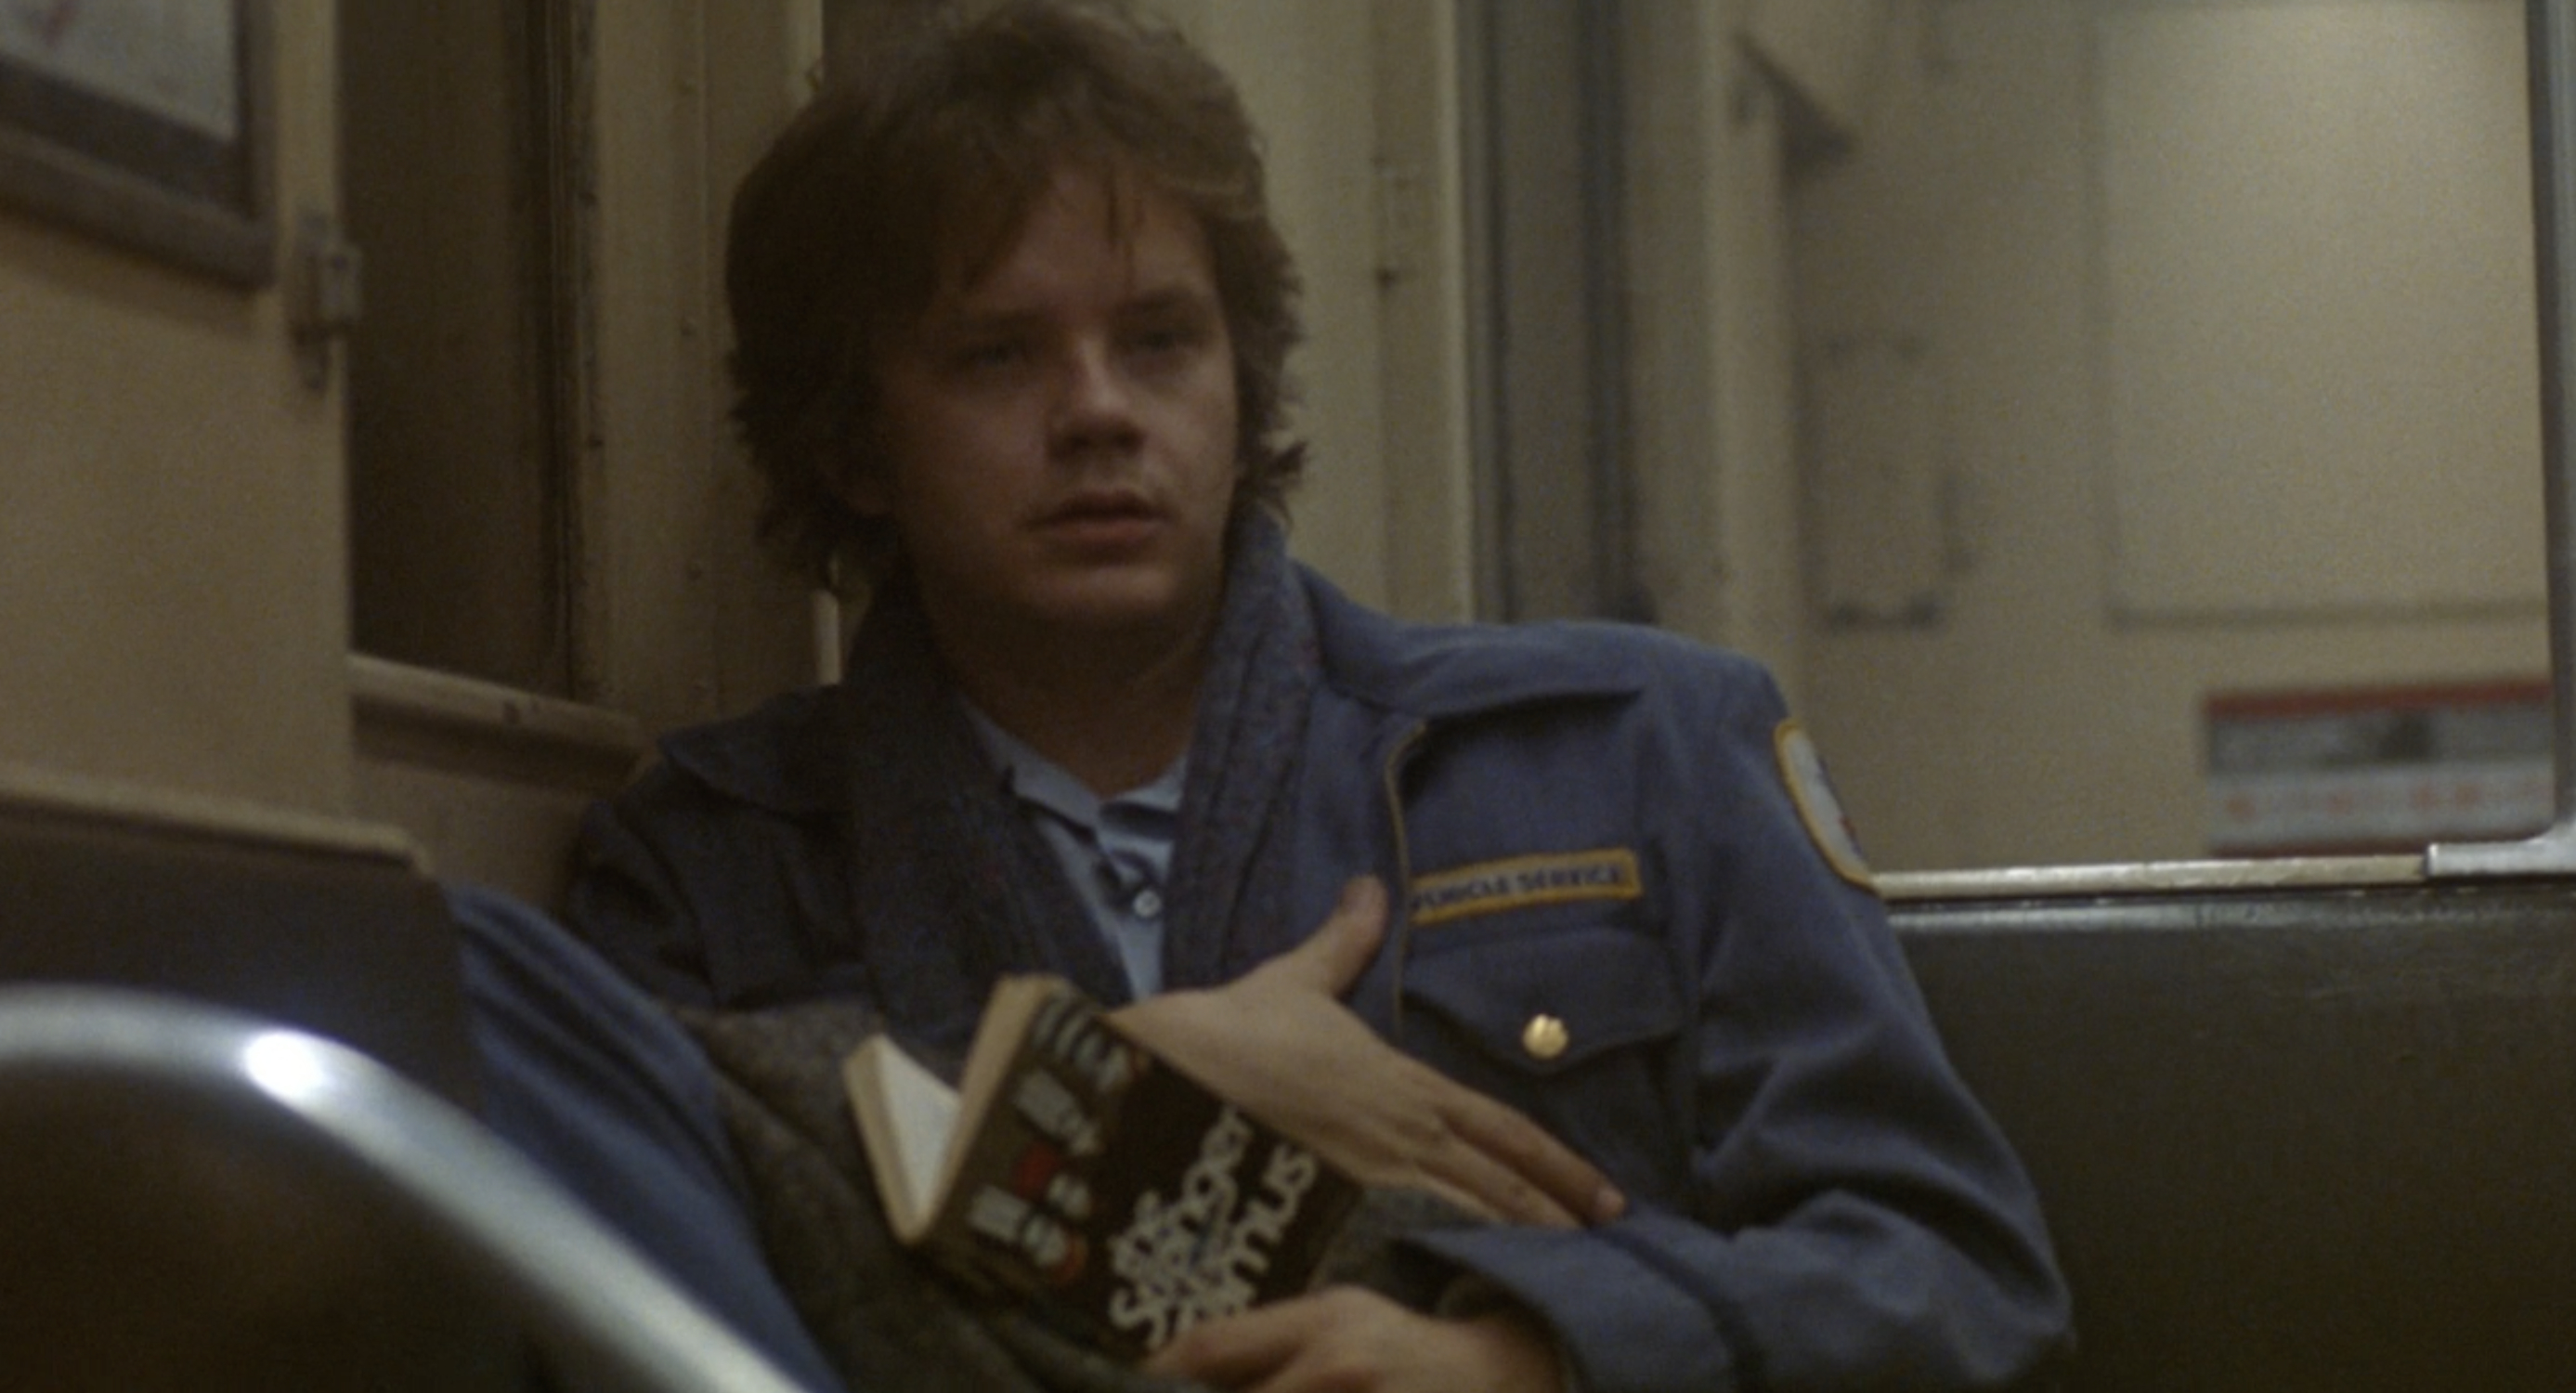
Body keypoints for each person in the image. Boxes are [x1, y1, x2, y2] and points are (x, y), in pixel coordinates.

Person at [552, 2, 2074, 1389]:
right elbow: (615, 1322)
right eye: (996, 356)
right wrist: (1125, 1091)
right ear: (852, 441)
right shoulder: (708, 870)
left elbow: (1957, 1285)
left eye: (1157, 339)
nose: (1096, 411)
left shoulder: (1630, 751)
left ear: (1238, 378)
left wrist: (1515, 1366)